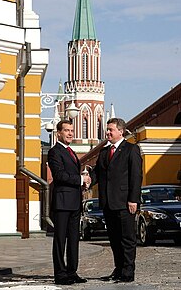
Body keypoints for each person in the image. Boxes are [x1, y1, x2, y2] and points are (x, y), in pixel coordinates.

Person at [90, 118, 142, 283]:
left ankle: (128, 272)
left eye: (110, 130)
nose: (107, 133)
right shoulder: (104, 152)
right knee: (114, 239)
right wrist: (87, 181)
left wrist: (133, 199)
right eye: (107, 130)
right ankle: (118, 269)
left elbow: (136, 176)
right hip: (107, 203)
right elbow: (97, 173)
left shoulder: (131, 149)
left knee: (127, 239)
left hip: (125, 203)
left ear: (121, 131)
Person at [48, 120, 91, 285]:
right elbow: (59, 175)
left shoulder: (71, 151)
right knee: (60, 240)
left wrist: (84, 183)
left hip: (75, 202)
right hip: (62, 202)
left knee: (74, 239)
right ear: (58, 132)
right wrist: (80, 179)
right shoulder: (54, 152)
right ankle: (60, 274)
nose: (70, 133)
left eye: (72, 130)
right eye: (66, 130)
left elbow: (72, 176)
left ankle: (72, 272)